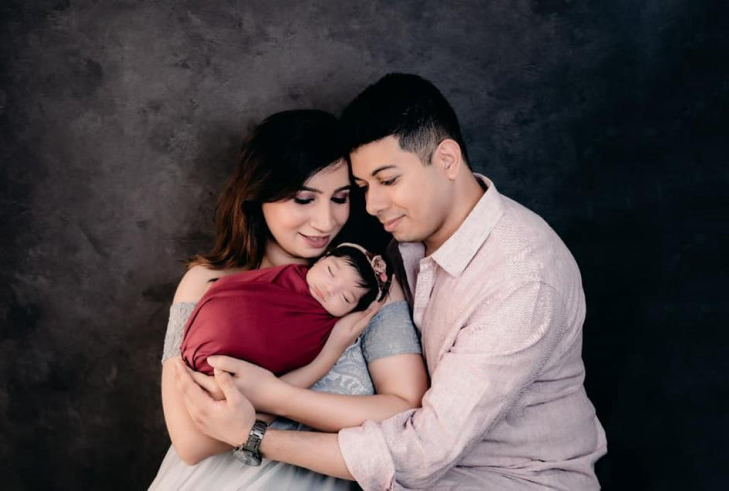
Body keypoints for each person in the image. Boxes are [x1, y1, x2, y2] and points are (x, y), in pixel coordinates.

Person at [175, 73, 608, 489]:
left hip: (510, 480)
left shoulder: (522, 279)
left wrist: (260, 424)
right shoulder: (395, 249)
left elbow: (422, 449)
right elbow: (191, 439)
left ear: (447, 160)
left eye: (388, 180)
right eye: (363, 187)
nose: (372, 205)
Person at [150, 109, 428, 490]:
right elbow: (191, 442)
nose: (326, 221)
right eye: (303, 199)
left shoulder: (365, 290)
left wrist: (270, 397)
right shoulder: (206, 282)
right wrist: (311, 370)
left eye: (340, 198)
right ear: (260, 193)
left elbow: (406, 412)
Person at [181, 243, 392, 376]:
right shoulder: (286, 275)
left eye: (346, 297)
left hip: (232, 376)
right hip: (202, 338)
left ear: (352, 311)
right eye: (330, 271)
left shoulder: (325, 329)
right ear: (322, 259)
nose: (330, 289)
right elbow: (235, 289)